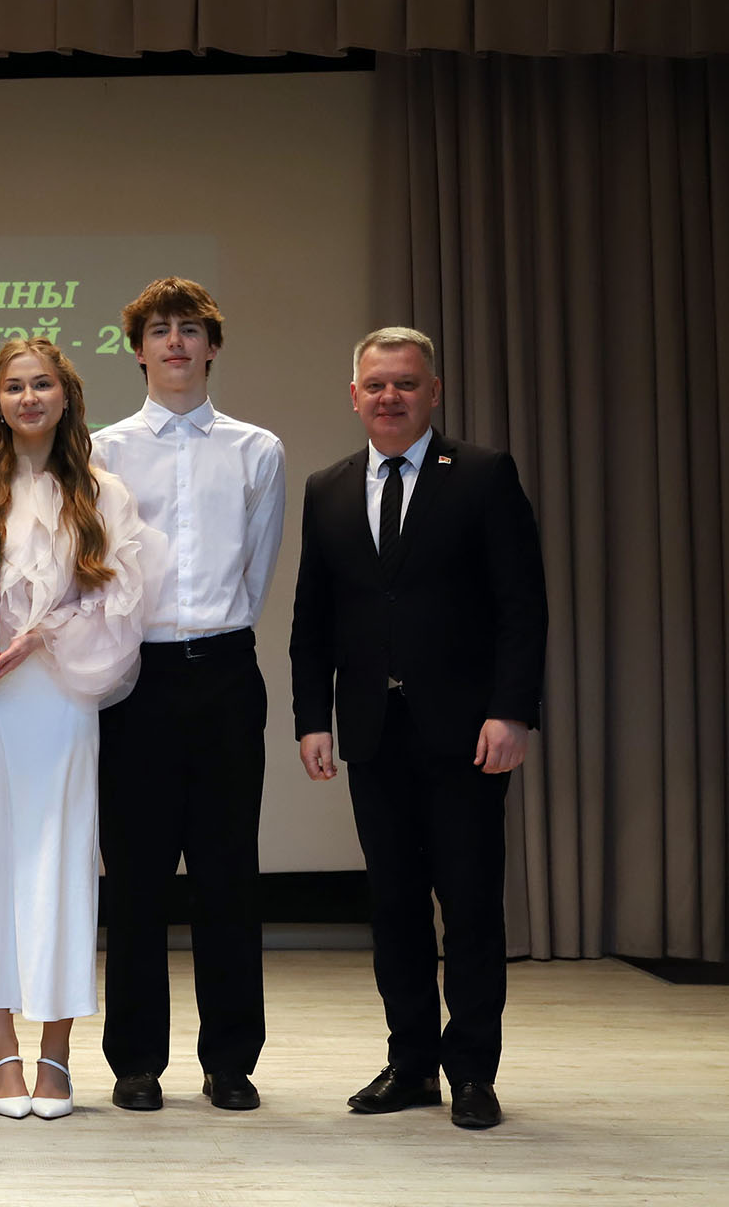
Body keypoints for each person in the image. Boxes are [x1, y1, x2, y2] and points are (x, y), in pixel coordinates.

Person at [289, 327, 546, 1132]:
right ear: (354, 396)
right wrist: (311, 719)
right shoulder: (328, 488)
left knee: (468, 905)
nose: (390, 397)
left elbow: (522, 606)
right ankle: (410, 1065)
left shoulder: (483, 475)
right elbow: (312, 619)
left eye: (406, 383)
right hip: (373, 732)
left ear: (433, 391)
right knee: (394, 906)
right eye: (376, 384)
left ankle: (472, 1071)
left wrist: (512, 710)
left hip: (468, 732)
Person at [0, 337, 154, 1122]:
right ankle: (2, 1053)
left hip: (59, 697)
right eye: (15, 386)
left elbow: (122, 600)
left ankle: (56, 1053)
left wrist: (40, 636)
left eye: (42, 384)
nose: (29, 398)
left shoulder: (101, 492)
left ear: (65, 395)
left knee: (60, 866)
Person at [90, 279, 285, 1114]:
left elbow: (257, 573)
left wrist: (211, 637)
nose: (175, 342)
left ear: (212, 345)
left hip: (224, 672)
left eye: (191, 330)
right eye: (160, 331)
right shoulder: (99, 450)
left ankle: (231, 1060)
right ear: (137, 350)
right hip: (135, 678)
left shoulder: (256, 449)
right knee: (136, 879)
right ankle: (136, 1062)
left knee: (227, 875)